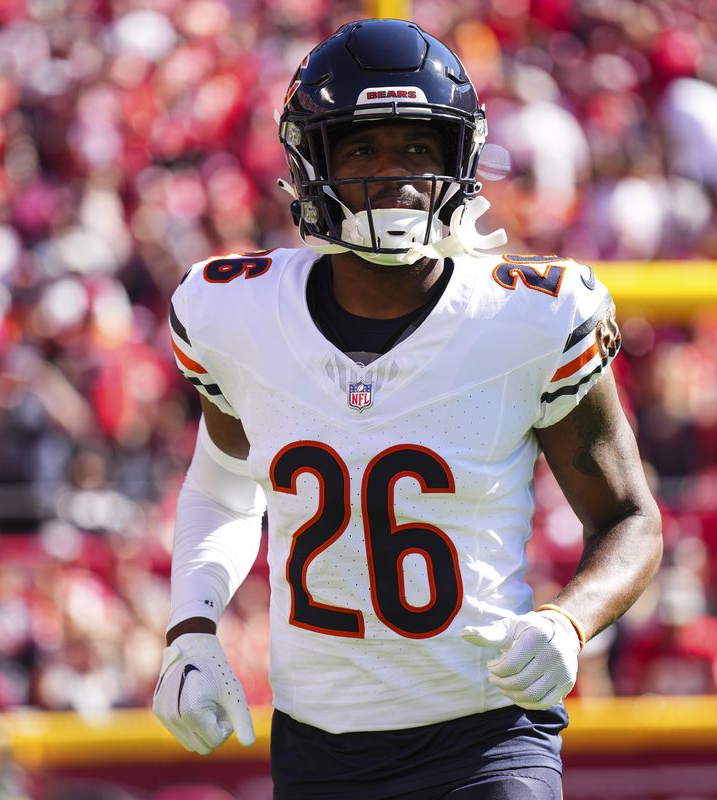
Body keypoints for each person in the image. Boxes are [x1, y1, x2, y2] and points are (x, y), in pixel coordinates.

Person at [151, 19, 663, 800]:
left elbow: (631, 519)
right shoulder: (235, 313)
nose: (393, 174)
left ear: (460, 159)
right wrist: (191, 627)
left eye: (419, 147)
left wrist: (571, 620)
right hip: (316, 745)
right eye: (361, 148)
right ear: (311, 162)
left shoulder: (531, 320)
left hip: (488, 735)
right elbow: (224, 488)